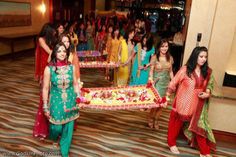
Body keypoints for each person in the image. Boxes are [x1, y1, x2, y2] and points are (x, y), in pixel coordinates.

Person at [166, 46, 215, 157]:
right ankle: (171, 143)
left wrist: (207, 93)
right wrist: (167, 96)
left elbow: (209, 85)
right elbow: (173, 82)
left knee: (199, 126)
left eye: (205, 57)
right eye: (201, 56)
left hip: (197, 104)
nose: (203, 59)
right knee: (176, 123)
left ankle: (204, 151)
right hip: (183, 102)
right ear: (195, 56)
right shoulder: (185, 69)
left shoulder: (206, 72)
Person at [42, 42, 80, 157]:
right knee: (56, 126)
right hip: (56, 101)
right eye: (59, 51)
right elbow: (45, 88)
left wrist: (78, 96)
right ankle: (54, 137)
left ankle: (65, 152)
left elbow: (75, 83)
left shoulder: (71, 67)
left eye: (64, 51)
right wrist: (45, 105)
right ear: (55, 53)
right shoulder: (49, 69)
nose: (62, 53)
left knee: (68, 128)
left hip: (70, 100)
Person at [33, 23, 56, 139]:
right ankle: (43, 128)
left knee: (53, 97)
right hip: (45, 70)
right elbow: (50, 52)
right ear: (48, 31)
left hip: (51, 69)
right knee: (44, 98)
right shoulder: (41, 40)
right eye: (53, 31)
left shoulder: (50, 40)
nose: (55, 33)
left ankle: (53, 125)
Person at [148, 39, 174, 129]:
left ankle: (156, 120)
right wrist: (151, 80)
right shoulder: (154, 57)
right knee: (156, 104)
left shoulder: (170, 58)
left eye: (166, 46)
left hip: (166, 84)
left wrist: (173, 82)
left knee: (162, 105)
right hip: (157, 84)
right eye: (162, 46)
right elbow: (151, 70)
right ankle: (151, 119)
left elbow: (170, 71)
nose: (164, 48)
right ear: (159, 47)